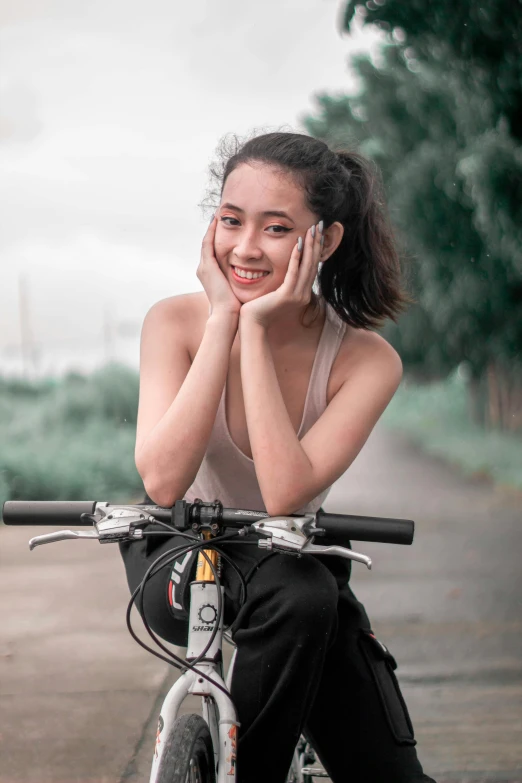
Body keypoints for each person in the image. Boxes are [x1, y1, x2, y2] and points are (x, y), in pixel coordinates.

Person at [119, 131, 436, 782]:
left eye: (277, 228)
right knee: (299, 596)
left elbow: (285, 494)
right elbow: (162, 477)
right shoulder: (172, 324)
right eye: (232, 221)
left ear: (325, 241)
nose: (244, 247)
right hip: (180, 555)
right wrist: (222, 324)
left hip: (293, 559)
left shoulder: (365, 360)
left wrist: (257, 331)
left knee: (393, 770)